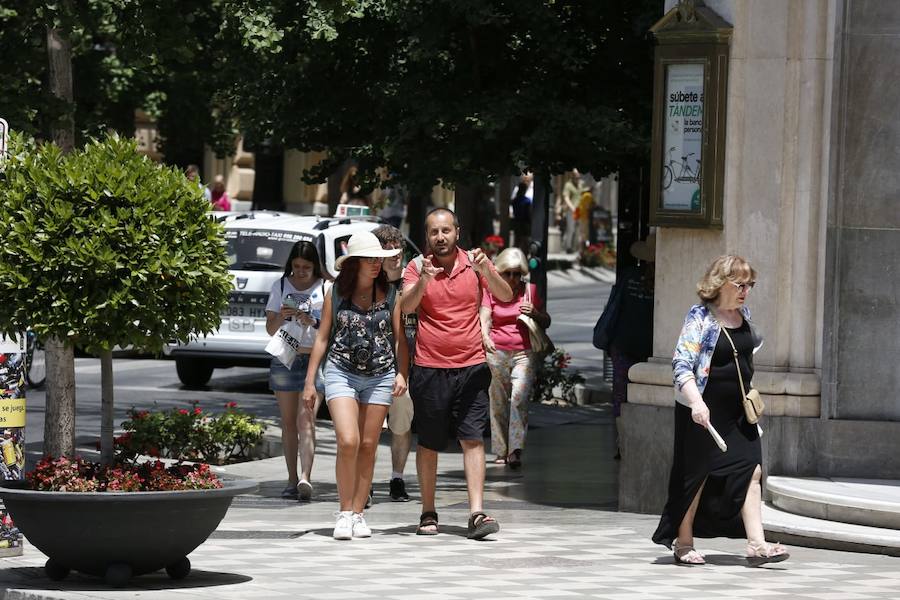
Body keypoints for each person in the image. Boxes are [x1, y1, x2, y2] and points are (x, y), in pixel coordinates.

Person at [652, 255, 790, 566]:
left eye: (750, 285)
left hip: (738, 412)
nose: (746, 291)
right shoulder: (700, 317)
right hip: (705, 410)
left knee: (751, 470)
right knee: (696, 477)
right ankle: (683, 542)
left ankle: (757, 544)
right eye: (740, 285)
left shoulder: (744, 315)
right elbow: (682, 364)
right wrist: (696, 403)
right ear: (721, 283)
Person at [402, 207, 513, 539]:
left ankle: (476, 513)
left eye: (446, 231)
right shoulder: (416, 267)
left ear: (457, 232)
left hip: (471, 367)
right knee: (429, 443)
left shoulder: (474, 263)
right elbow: (406, 306)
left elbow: (505, 295)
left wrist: (486, 270)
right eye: (434, 232)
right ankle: (428, 511)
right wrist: (424, 279)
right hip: (429, 368)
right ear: (427, 236)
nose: (440, 237)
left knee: (473, 438)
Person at [303, 231, 408, 540]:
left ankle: (359, 513)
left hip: (381, 375)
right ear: (354, 263)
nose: (376, 264)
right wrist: (310, 382)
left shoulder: (391, 294)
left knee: (368, 445)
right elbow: (322, 338)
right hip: (341, 371)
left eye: (378, 259)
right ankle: (345, 511)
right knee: (348, 440)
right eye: (369, 259)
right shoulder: (335, 293)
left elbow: (400, 340)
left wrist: (402, 374)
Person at [264, 241, 327, 501]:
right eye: (296, 266)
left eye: (306, 267)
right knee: (289, 423)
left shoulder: (325, 287)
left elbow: (331, 327)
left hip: (314, 359)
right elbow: (270, 329)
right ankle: (292, 480)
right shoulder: (280, 286)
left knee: (307, 419)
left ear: (315, 267)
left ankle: (305, 477)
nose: (300, 272)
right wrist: (283, 314)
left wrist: (312, 320)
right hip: (285, 358)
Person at [479, 248, 550, 469]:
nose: (512, 278)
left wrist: (535, 313)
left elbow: (546, 321)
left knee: (519, 398)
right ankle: (501, 449)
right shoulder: (490, 289)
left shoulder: (529, 291)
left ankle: (515, 450)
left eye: (517, 273)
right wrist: (485, 336)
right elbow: (485, 317)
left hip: (524, 353)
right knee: (498, 401)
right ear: (499, 272)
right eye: (507, 273)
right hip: (497, 352)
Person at [596, 234, 656, 458]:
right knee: (645, 396)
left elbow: (615, 306)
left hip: (622, 344)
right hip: (649, 349)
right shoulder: (665, 281)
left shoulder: (629, 275)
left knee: (620, 396)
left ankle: (622, 443)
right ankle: (640, 440)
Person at [371, 225, 415, 502]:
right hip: (374, 366)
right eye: (388, 249)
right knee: (371, 427)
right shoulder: (370, 284)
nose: (395, 254)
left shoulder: (412, 280)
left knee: (401, 424)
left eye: (398, 248)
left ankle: (397, 478)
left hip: (406, 366)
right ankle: (366, 482)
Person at [561, 170, 584, 253]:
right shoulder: (568, 185)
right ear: (572, 176)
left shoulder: (580, 184)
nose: (577, 178)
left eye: (578, 176)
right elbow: (566, 198)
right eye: (576, 176)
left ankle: (576, 248)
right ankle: (568, 247)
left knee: (579, 230)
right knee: (571, 229)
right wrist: (572, 208)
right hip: (571, 210)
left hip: (580, 210)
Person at [510, 173, 533, 251]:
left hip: (517, 222)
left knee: (517, 241)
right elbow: (529, 213)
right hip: (525, 223)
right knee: (525, 242)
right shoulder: (527, 201)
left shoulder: (515, 201)